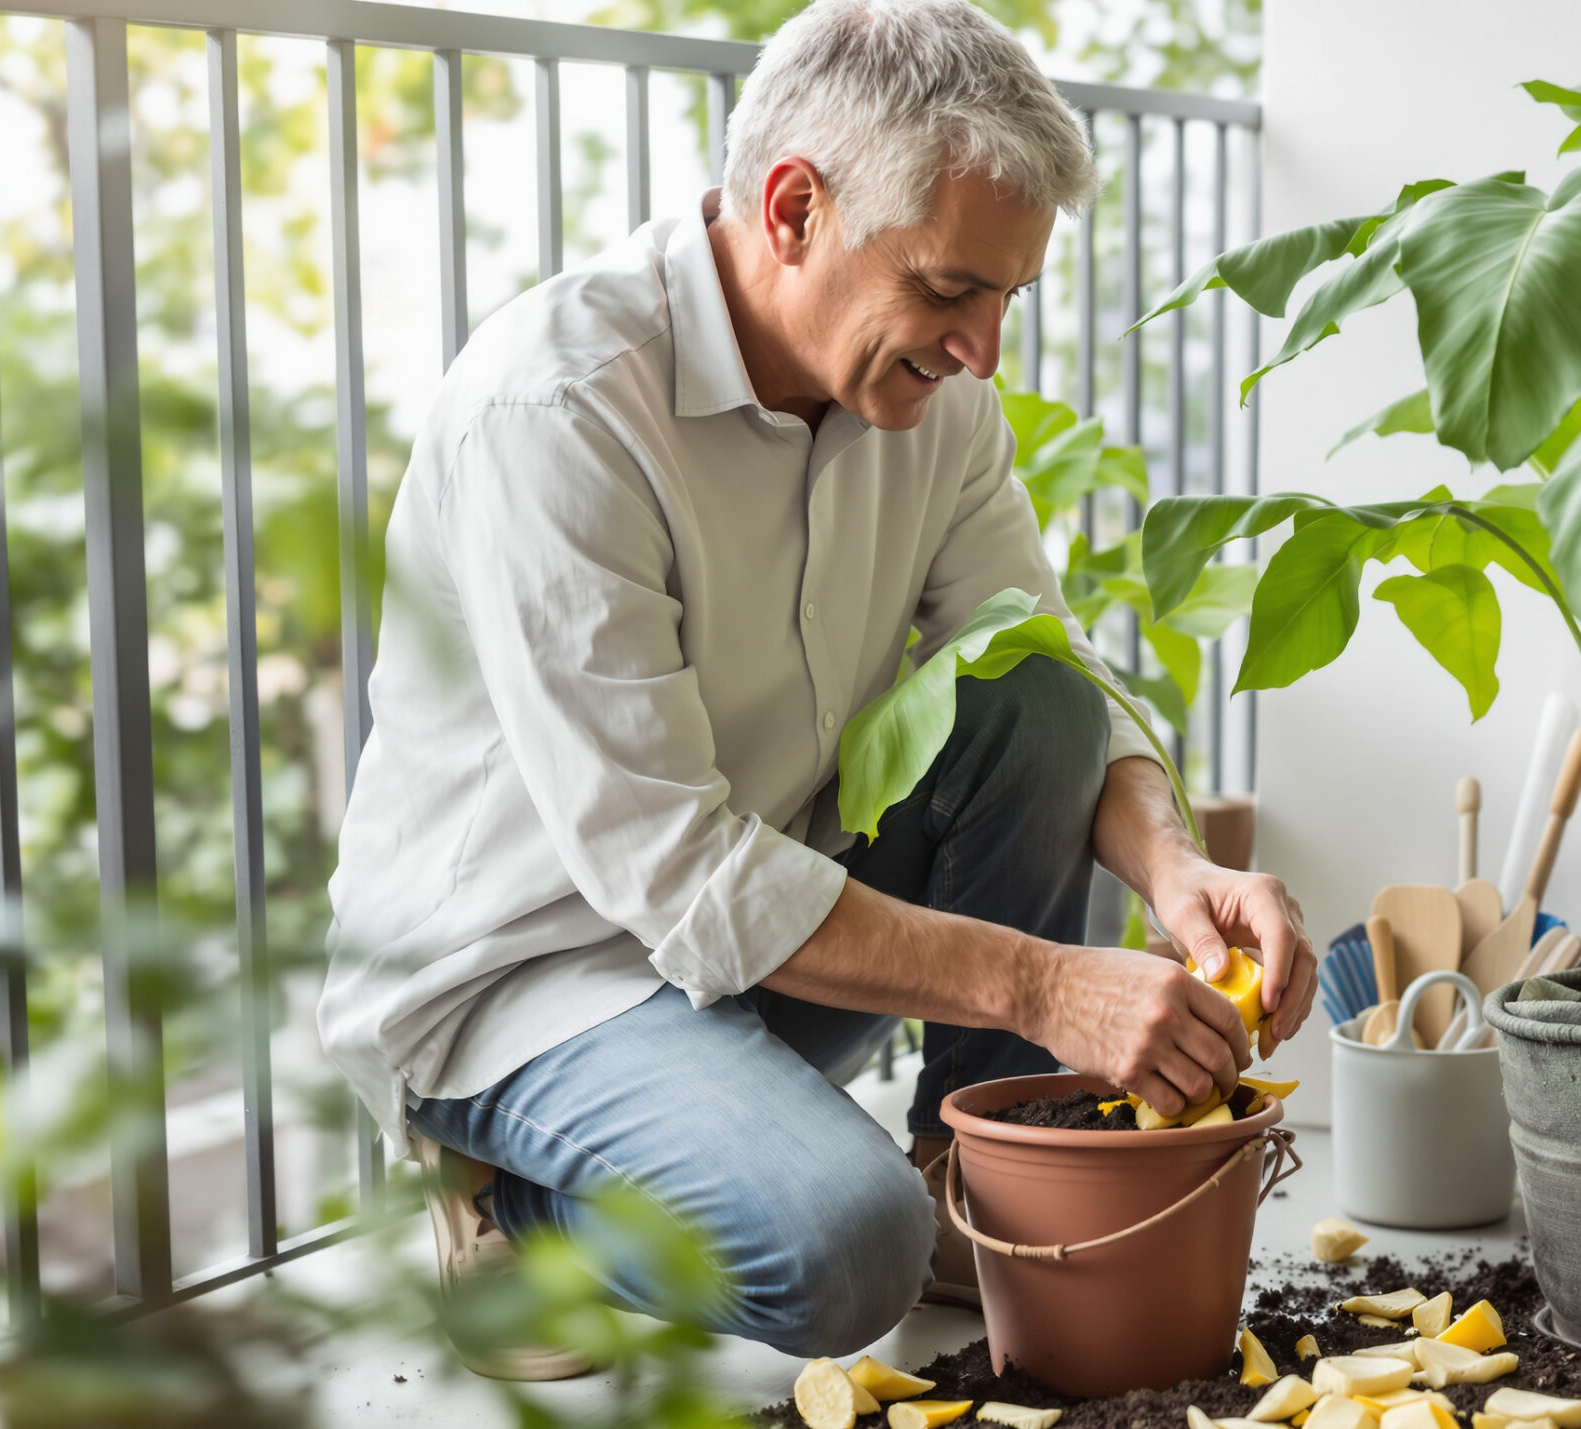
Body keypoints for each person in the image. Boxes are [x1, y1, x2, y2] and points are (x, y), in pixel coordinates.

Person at [316, 0, 1317, 1382]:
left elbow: (1043, 658)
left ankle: (972, 1173)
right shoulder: (557, 413)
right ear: (793, 209)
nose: (985, 353)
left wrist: (1175, 867)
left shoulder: (937, 405)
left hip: (765, 906)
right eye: (952, 290)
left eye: (1009, 298)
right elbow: (670, 870)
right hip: (530, 972)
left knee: (1034, 705)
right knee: (847, 1254)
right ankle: (501, 1197)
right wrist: (1047, 988)